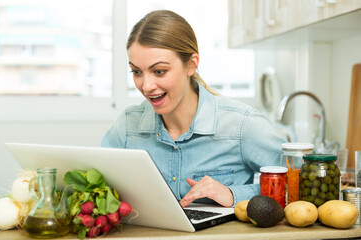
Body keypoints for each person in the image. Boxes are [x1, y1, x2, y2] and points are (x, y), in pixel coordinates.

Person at [101, 10, 286, 208]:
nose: (146, 86)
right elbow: (93, 187)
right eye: (137, 72)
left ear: (191, 65)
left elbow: (295, 183)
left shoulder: (242, 125)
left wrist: (233, 194)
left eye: (159, 71)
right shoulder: (127, 126)